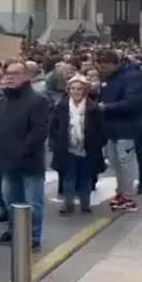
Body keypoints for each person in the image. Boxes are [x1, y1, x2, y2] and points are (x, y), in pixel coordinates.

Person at [0, 60, 49, 251]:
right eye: (7, 73)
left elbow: (38, 131)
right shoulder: (3, 101)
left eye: (15, 73)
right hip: (7, 161)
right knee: (10, 200)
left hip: (29, 162)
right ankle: (15, 231)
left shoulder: (37, 100)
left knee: (32, 202)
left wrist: (22, 151)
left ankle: (33, 236)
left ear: (26, 76)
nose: (10, 77)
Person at [96, 49, 142, 212]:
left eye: (106, 67)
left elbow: (133, 102)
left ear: (115, 64)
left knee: (125, 162)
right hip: (112, 127)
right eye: (102, 67)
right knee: (115, 162)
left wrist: (106, 107)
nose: (104, 70)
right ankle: (121, 191)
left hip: (127, 126)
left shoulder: (132, 77)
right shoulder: (108, 78)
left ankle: (129, 196)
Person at [49, 74, 105, 214]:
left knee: (85, 177)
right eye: (73, 88)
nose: (76, 91)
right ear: (68, 90)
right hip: (66, 147)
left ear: (85, 91)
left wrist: (98, 143)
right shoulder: (61, 106)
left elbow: (101, 128)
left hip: (88, 148)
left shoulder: (93, 107)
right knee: (68, 176)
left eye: (79, 89)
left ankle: (85, 205)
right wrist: (56, 141)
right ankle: (68, 205)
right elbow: (54, 125)